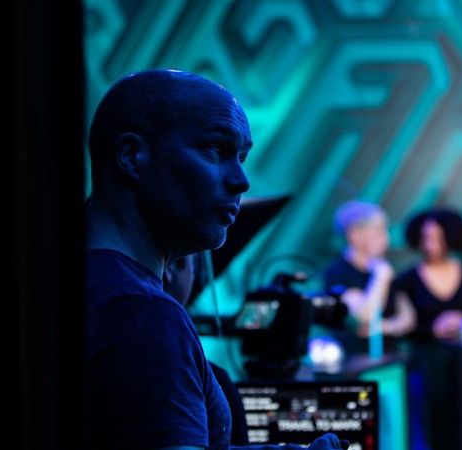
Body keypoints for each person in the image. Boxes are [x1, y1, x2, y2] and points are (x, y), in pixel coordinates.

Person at [84, 69, 346, 450]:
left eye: (241, 157)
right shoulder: (142, 312)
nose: (241, 181)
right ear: (132, 156)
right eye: (216, 149)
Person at [392, 208, 462, 450]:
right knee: (432, 426)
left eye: (437, 238)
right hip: (428, 364)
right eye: (426, 237)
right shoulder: (407, 280)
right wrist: (433, 329)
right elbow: (401, 327)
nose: (430, 244)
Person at [323, 200, 416, 355]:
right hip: (355, 358)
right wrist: (380, 278)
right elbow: (365, 316)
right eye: (378, 231)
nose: (386, 238)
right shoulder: (339, 272)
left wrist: (384, 327)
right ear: (354, 234)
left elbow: (407, 318)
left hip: (389, 355)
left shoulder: (385, 266)